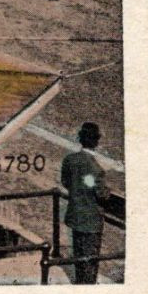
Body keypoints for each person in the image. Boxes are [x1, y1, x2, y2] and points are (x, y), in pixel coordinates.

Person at [60, 121, 110, 284]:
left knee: (79, 257)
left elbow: (66, 182)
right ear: (96, 142)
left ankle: (80, 286)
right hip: (91, 221)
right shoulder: (96, 169)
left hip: (76, 216)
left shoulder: (70, 160)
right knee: (90, 262)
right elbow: (102, 195)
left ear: (80, 139)